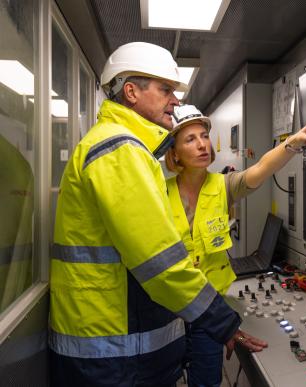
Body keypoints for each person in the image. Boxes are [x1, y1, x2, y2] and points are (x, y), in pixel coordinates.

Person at [48, 42, 243, 387]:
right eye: (166, 89)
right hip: (112, 353)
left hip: (113, 347)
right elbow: (159, 262)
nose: (176, 100)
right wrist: (222, 321)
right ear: (131, 92)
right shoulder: (118, 149)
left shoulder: (121, 146)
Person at [164, 104, 306, 386]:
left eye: (204, 135)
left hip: (209, 308)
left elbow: (263, 167)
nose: (202, 144)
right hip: (169, 309)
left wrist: (293, 143)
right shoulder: (158, 192)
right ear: (174, 152)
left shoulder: (224, 186)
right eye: (191, 139)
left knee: (206, 381)